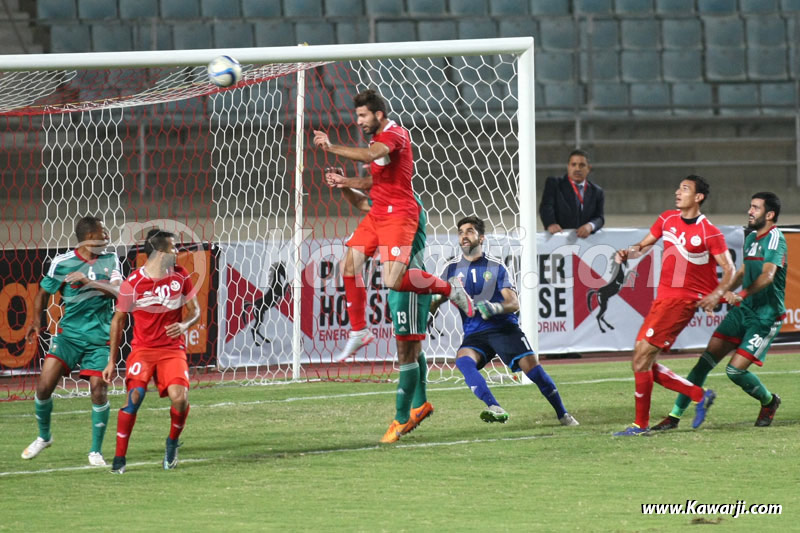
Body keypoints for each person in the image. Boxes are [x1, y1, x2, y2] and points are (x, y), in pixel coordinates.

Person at [313, 89, 474, 362]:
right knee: (348, 265)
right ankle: (359, 331)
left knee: (393, 280)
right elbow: (375, 183)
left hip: (400, 214)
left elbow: (367, 156)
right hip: (378, 213)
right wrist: (344, 182)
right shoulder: (377, 140)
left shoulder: (395, 134)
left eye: (363, 115)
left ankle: (451, 289)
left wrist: (330, 147)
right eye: (357, 116)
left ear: (378, 114)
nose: (359, 121)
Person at [613, 175, 735, 436]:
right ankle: (698, 395)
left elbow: (729, 268)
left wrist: (718, 294)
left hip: (681, 302)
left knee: (641, 358)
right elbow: (643, 246)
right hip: (663, 299)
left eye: (685, 189)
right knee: (642, 360)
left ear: (698, 197)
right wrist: (627, 252)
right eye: (678, 188)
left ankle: (640, 425)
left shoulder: (709, 231)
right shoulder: (667, 218)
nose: (677, 192)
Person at [652, 192, 786, 430]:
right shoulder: (752, 238)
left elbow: (767, 276)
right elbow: (743, 273)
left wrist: (741, 294)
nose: (749, 211)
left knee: (734, 371)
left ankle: (769, 401)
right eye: (750, 206)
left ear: (770, 214)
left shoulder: (775, 239)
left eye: (755, 208)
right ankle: (673, 417)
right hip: (742, 312)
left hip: (765, 317)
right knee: (703, 363)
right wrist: (720, 294)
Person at [430, 216, 579, 426]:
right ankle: (494, 406)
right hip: (475, 333)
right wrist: (436, 300)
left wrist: (494, 307)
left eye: (470, 231)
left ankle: (563, 414)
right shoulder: (450, 270)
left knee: (533, 370)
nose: (464, 235)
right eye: (461, 231)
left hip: (503, 328)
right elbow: (434, 304)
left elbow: (513, 303)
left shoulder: (496, 266)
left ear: (481, 238)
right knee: (463, 360)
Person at [325, 169, 433, 443]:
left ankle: (400, 419)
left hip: (408, 284)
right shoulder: (389, 203)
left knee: (405, 351)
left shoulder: (405, 205)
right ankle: (420, 405)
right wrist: (343, 187)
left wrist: (347, 182)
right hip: (402, 285)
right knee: (412, 347)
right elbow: (362, 203)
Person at [21, 216, 121, 466]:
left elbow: (120, 293)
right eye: (103, 231)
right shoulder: (62, 263)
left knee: (99, 389)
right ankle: (44, 436)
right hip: (69, 337)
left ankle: (95, 451)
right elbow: (43, 293)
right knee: (44, 387)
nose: (108, 235)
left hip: (99, 339)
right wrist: (36, 320)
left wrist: (89, 282)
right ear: (89, 237)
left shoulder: (111, 259)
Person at [104, 229, 200, 473]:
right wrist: (111, 361)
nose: (177, 252)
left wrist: (185, 324)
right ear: (159, 253)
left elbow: (195, 310)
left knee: (180, 398)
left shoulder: (181, 276)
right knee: (134, 398)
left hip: (171, 350)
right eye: (173, 248)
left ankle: (172, 443)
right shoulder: (133, 283)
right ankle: (119, 458)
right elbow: (118, 321)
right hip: (143, 350)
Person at [539, 149, 605, 238]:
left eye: (582, 165)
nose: (577, 169)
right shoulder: (554, 184)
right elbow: (546, 206)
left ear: (588, 168)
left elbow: (599, 218)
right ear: (568, 167)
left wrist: (590, 226)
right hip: (558, 241)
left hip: (585, 245)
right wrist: (551, 223)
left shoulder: (597, 192)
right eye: (573, 165)